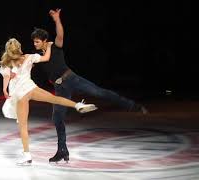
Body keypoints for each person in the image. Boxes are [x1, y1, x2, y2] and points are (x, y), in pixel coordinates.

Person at [31, 9, 148, 163]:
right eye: (34, 42)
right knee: (57, 117)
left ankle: (133, 105)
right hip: (60, 88)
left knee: (100, 93)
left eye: (37, 41)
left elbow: (60, 35)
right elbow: (27, 65)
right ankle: (62, 150)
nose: (34, 44)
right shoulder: (38, 56)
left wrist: (57, 19)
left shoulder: (55, 46)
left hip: (72, 79)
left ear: (45, 40)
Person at [0, 38, 97, 165]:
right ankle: (78, 105)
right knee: (54, 98)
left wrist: (4, 90)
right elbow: (46, 58)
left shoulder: (6, 63)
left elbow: (6, 77)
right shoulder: (29, 57)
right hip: (31, 88)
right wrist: (49, 46)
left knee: (23, 126)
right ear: (19, 47)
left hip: (20, 94)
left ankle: (27, 155)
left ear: (8, 49)